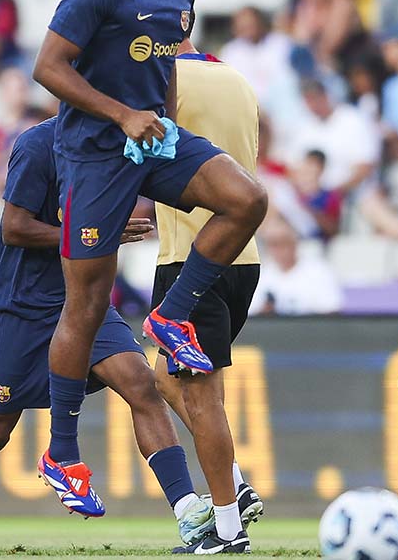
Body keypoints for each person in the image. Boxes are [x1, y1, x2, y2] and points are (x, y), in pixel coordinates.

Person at [30, 0, 266, 554]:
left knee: (246, 197)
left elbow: (162, 58)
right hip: (94, 154)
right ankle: (62, 452)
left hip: (151, 139)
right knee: (87, 303)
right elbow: (48, 67)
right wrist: (121, 113)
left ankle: (171, 312)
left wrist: (159, 119)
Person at [0, 117, 215, 553]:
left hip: (85, 298)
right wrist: (94, 237)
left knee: (142, 384)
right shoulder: (38, 145)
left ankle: (188, 511)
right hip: (21, 305)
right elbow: (15, 227)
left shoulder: (119, 142)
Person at [152, 31, 266, 554]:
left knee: (200, 398)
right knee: (170, 380)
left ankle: (225, 529)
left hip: (192, 256)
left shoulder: (164, 82)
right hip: (245, 260)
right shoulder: (239, 82)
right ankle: (235, 482)